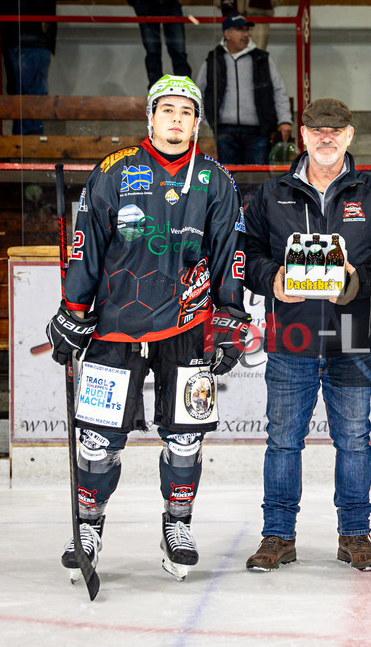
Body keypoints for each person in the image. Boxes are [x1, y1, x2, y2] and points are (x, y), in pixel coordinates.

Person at [45, 75, 248, 582]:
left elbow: (230, 256)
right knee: (97, 439)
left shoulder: (216, 179)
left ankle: (177, 525)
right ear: (150, 118)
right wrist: (73, 309)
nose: (176, 119)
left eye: (186, 112)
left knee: (185, 438)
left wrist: (229, 318)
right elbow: (85, 244)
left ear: (196, 122)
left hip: (189, 324)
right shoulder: (114, 171)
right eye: (167, 110)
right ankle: (87, 526)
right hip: (117, 323)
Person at [242, 98, 371, 572]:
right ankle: (277, 536)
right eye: (317, 129)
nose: (326, 137)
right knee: (282, 441)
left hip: (351, 333)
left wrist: (362, 279)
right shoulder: (270, 194)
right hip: (289, 336)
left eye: (335, 130)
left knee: (355, 442)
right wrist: (270, 279)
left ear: (349, 135)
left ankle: (355, 536)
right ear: (302, 135)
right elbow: (247, 252)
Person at [195, 13, 293, 165]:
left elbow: (278, 90)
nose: (245, 34)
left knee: (259, 180)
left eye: (246, 30)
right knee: (229, 179)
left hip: (258, 131)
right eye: (240, 30)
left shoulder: (262, 58)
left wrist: (285, 120)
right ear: (227, 34)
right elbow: (198, 92)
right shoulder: (213, 59)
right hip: (224, 130)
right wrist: (207, 119)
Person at [117, 0, 197, 89]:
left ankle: (184, 92)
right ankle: (156, 93)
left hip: (172, 1)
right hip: (146, 2)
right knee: (153, 52)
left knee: (178, 52)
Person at [3, 0, 56, 136]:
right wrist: (45, 17)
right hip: (33, 42)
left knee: (22, 97)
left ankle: (21, 145)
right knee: (34, 98)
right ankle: (31, 144)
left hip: (17, 41)